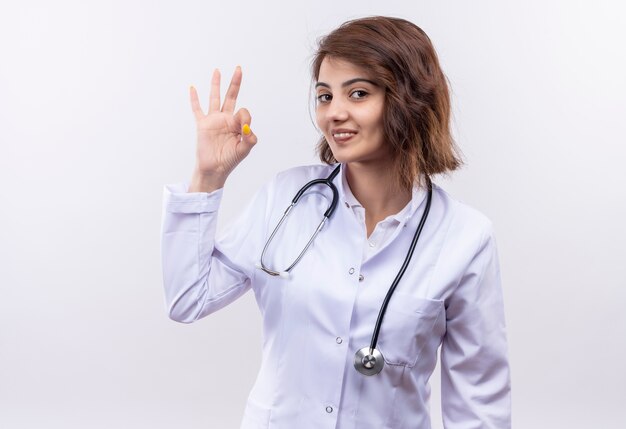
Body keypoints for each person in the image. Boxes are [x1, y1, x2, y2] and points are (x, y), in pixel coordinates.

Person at [161, 16, 511, 429]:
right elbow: (188, 300)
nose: (334, 114)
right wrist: (208, 177)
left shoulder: (465, 237)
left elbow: (478, 400)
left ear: (409, 100)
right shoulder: (284, 198)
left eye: (358, 93)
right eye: (325, 96)